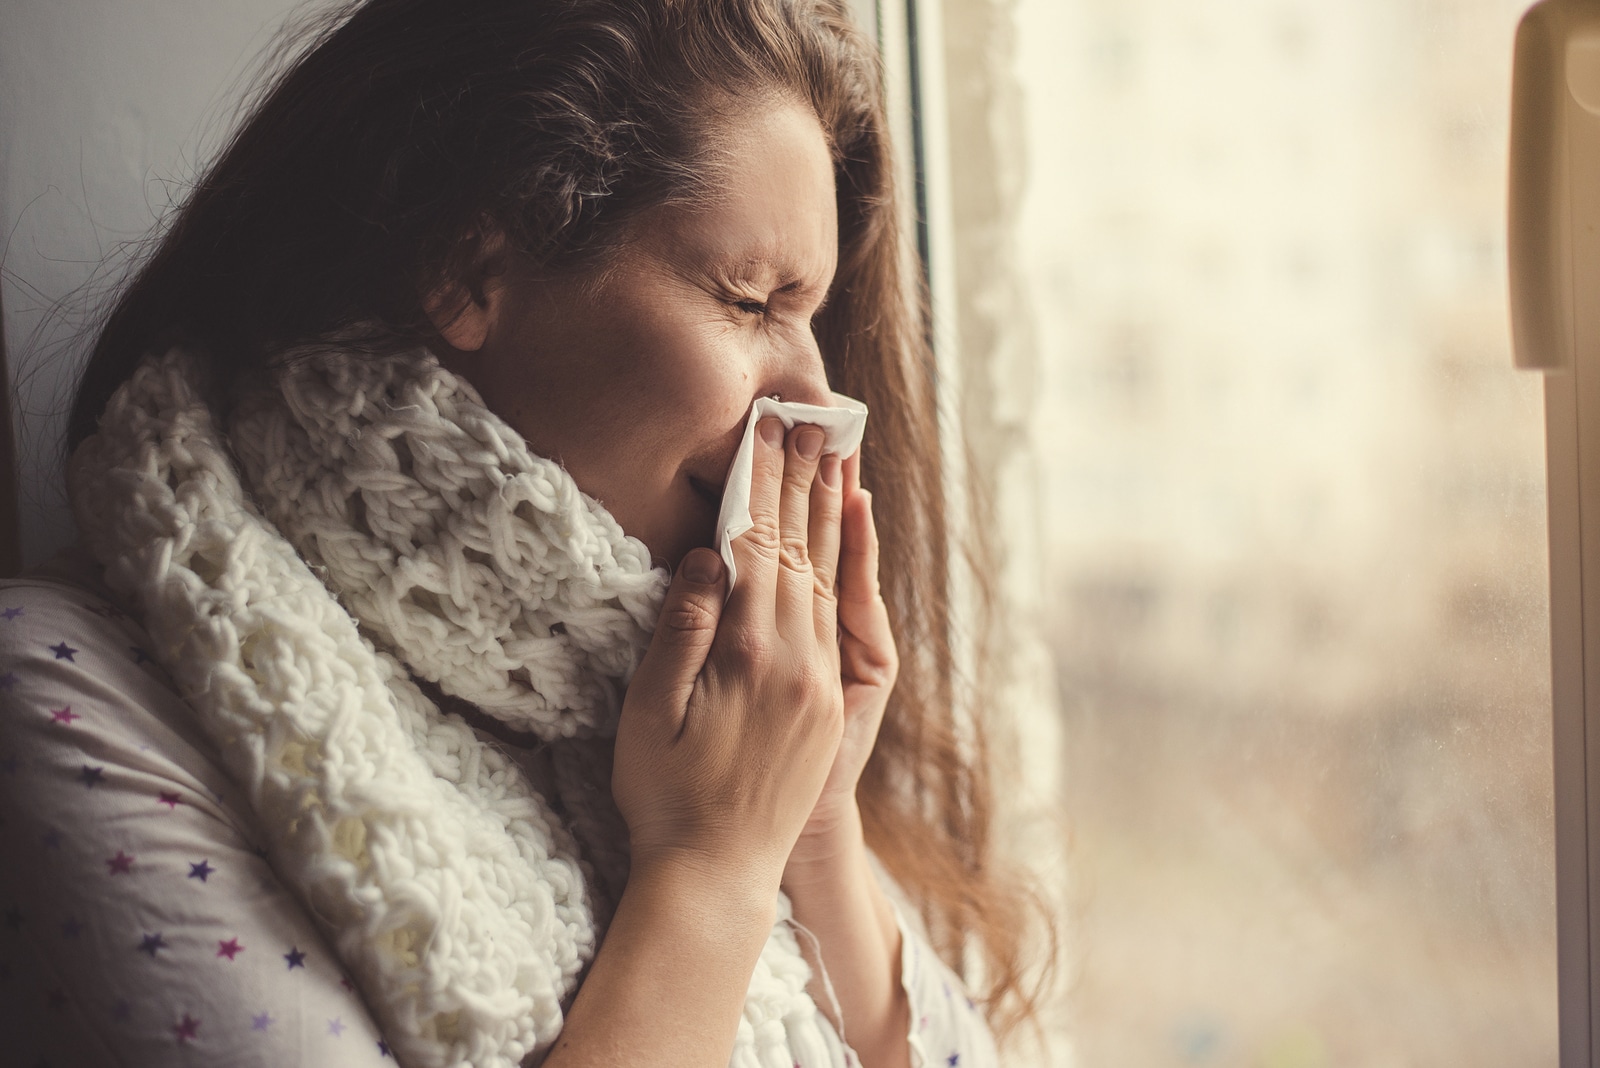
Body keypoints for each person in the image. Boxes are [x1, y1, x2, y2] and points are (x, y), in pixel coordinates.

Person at [0, 1, 1045, 1065]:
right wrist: (711, 871)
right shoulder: (61, 704)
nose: (814, 401)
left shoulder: (695, 721)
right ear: (465, 268)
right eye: (749, 300)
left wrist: (811, 823)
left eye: (811, 319)